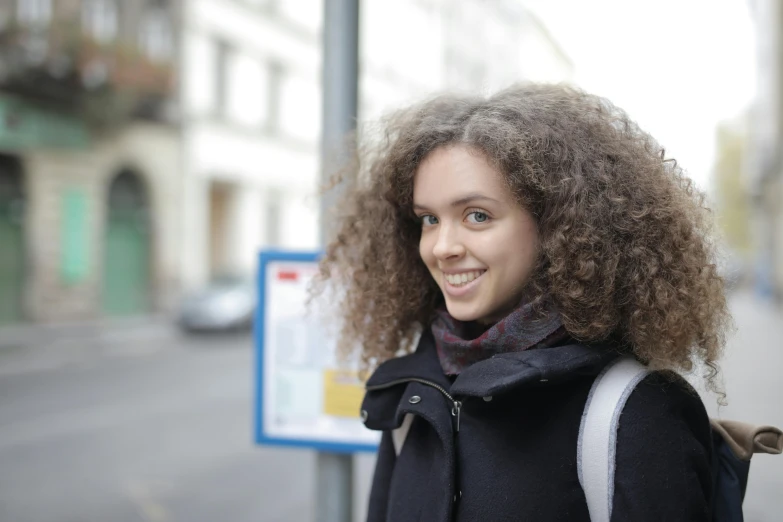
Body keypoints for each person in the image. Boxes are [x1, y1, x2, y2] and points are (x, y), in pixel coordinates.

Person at [313, 83, 730, 521]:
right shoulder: (414, 395)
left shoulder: (634, 412)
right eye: (429, 219)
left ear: (556, 226)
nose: (442, 247)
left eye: (478, 215)